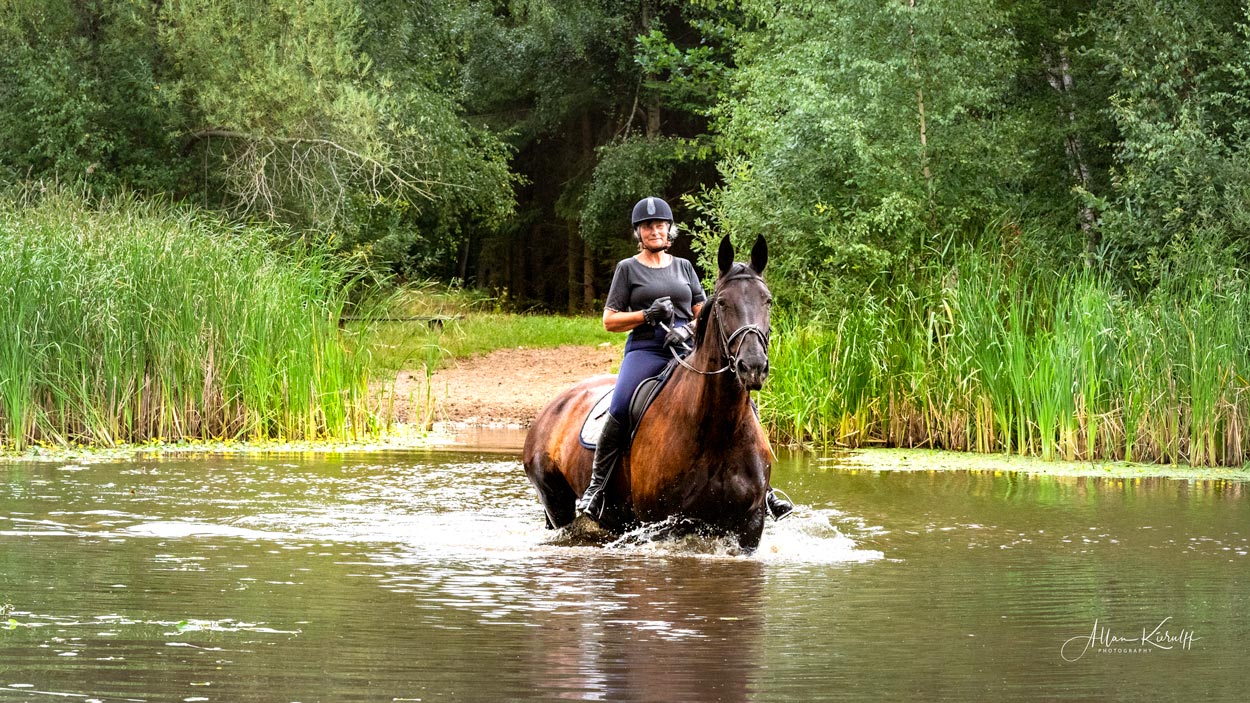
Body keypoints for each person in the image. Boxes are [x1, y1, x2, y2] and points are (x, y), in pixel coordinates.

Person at [575, 196, 794, 522]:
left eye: (660, 225)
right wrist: (646, 315)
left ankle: (766, 492)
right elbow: (609, 320)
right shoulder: (628, 269)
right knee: (621, 405)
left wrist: (687, 329)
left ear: (669, 229)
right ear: (639, 232)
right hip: (646, 351)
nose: (654, 230)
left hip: (686, 349)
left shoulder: (684, 267)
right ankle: (596, 488)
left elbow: (703, 314)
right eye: (648, 226)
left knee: (744, 402)